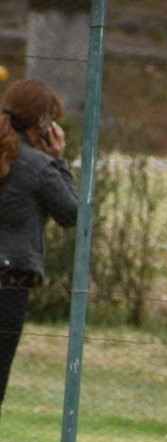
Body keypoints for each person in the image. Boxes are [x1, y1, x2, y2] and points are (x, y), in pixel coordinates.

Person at [0, 78, 78, 417]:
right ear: (44, 123)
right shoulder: (39, 167)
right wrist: (60, 160)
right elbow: (74, 213)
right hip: (8, 289)